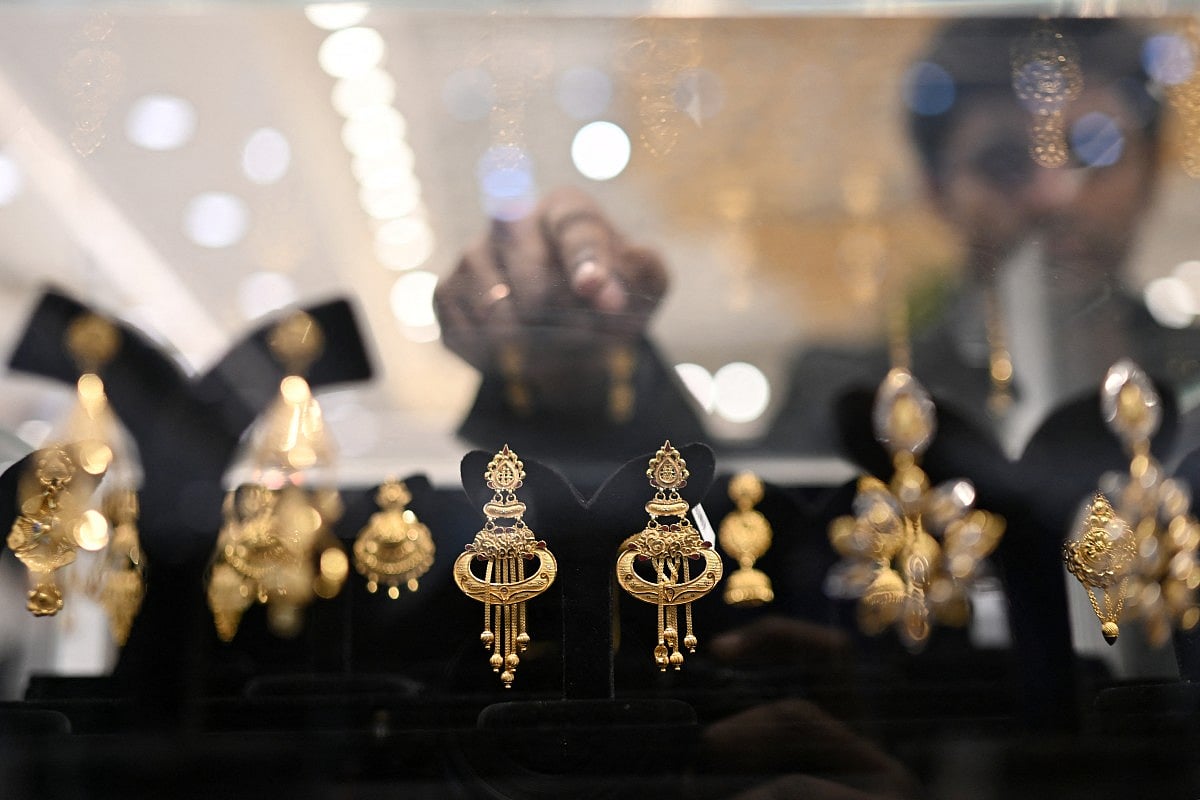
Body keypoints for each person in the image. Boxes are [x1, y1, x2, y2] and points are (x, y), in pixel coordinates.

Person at [434, 17, 1200, 472]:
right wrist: (581, 368)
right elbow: (716, 527)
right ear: (937, 192)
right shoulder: (842, 397)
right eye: (1004, 160)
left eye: (1092, 150)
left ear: (1151, 175)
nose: (1050, 192)